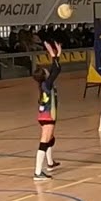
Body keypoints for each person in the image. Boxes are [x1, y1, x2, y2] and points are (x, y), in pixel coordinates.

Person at [32, 38, 63, 181]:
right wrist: (53, 54)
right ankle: (38, 172)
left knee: (50, 139)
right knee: (44, 142)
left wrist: (56, 55)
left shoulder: (44, 83)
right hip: (47, 117)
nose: (47, 70)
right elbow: (56, 69)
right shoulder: (47, 84)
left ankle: (50, 163)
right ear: (44, 75)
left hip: (44, 115)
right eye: (45, 70)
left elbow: (54, 69)